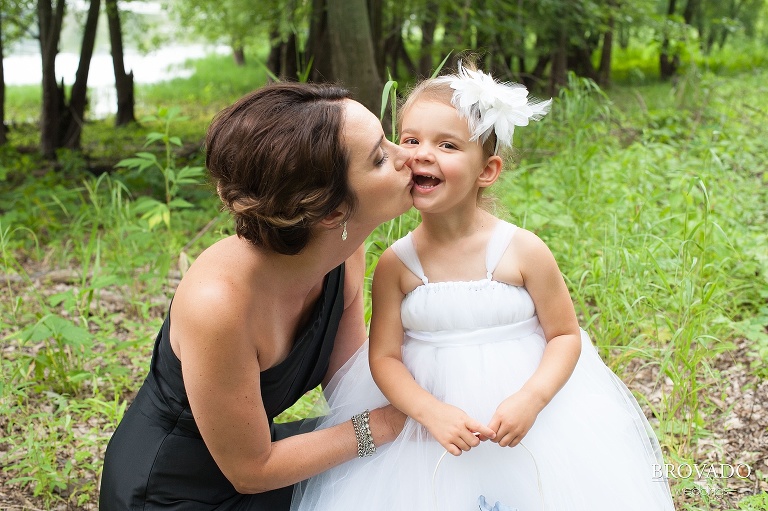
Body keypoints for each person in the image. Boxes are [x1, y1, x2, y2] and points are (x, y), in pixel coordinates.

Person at [290, 64, 676, 511]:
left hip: (526, 417)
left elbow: (565, 335)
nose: (421, 154)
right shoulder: (397, 264)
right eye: (411, 140)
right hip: (432, 428)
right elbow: (385, 357)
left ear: (487, 170)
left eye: (447, 144)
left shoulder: (522, 251)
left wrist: (532, 399)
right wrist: (428, 412)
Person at [99, 82, 412, 510]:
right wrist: (386, 426)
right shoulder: (219, 304)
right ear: (330, 211)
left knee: (416, 447)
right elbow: (251, 471)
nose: (406, 155)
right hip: (176, 491)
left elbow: (348, 387)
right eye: (380, 157)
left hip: (259, 457)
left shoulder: (345, 252)